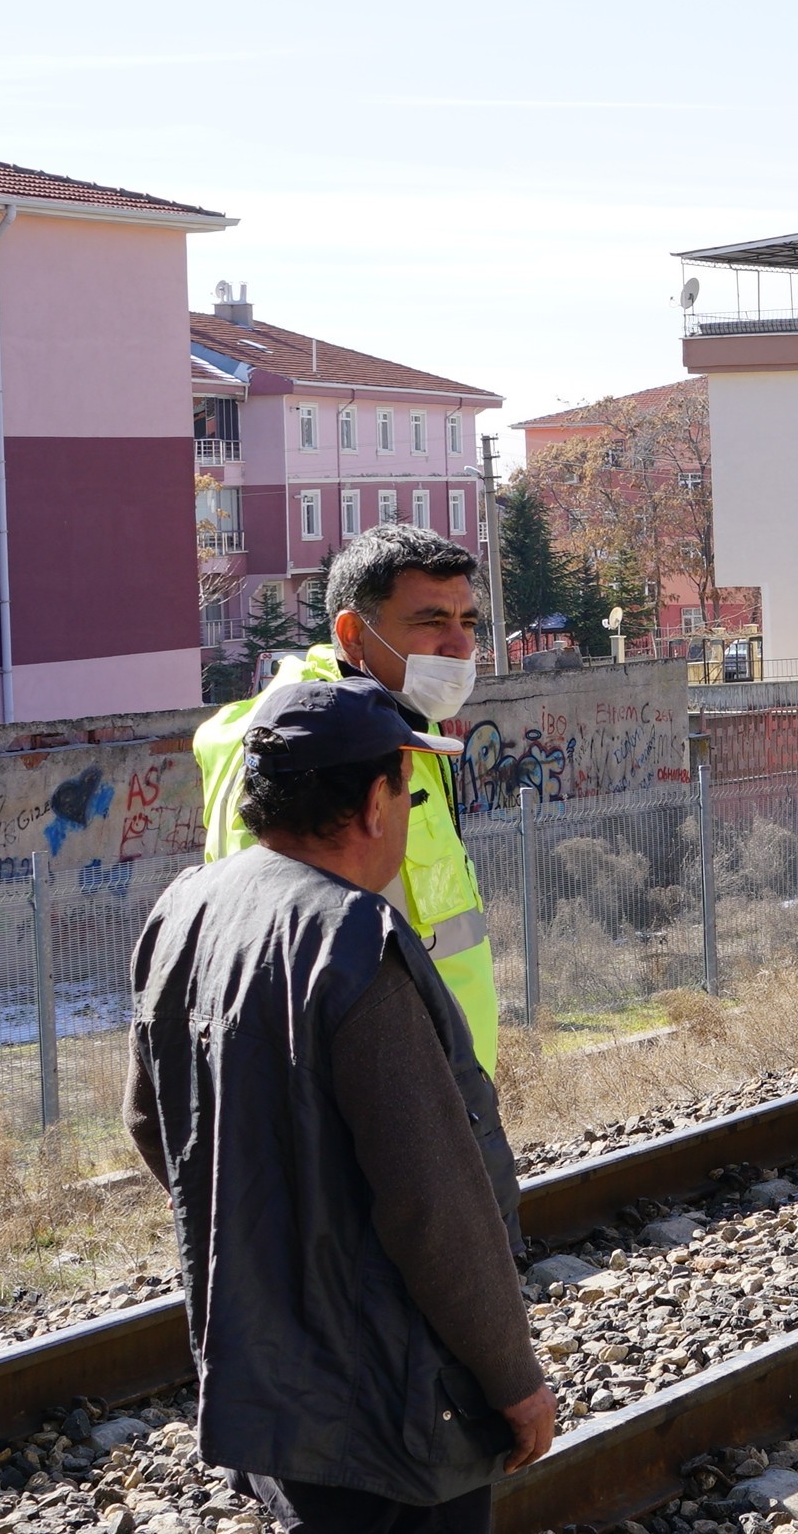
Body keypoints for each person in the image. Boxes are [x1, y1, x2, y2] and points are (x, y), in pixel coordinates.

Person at [128, 678, 554, 1534]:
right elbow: (432, 1203)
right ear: (372, 802)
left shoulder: (186, 908)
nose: (407, 806)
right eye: (408, 786)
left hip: (267, 1367)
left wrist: (274, 1239)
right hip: (392, 1401)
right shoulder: (353, 940)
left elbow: (151, 1121)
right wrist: (515, 1380)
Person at [193, 525, 501, 1075]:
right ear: (354, 634)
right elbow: (277, 959)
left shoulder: (400, 723)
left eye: (468, 622)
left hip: (444, 1085)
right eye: (431, 621)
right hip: (375, 1100)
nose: (459, 646)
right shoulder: (300, 751)